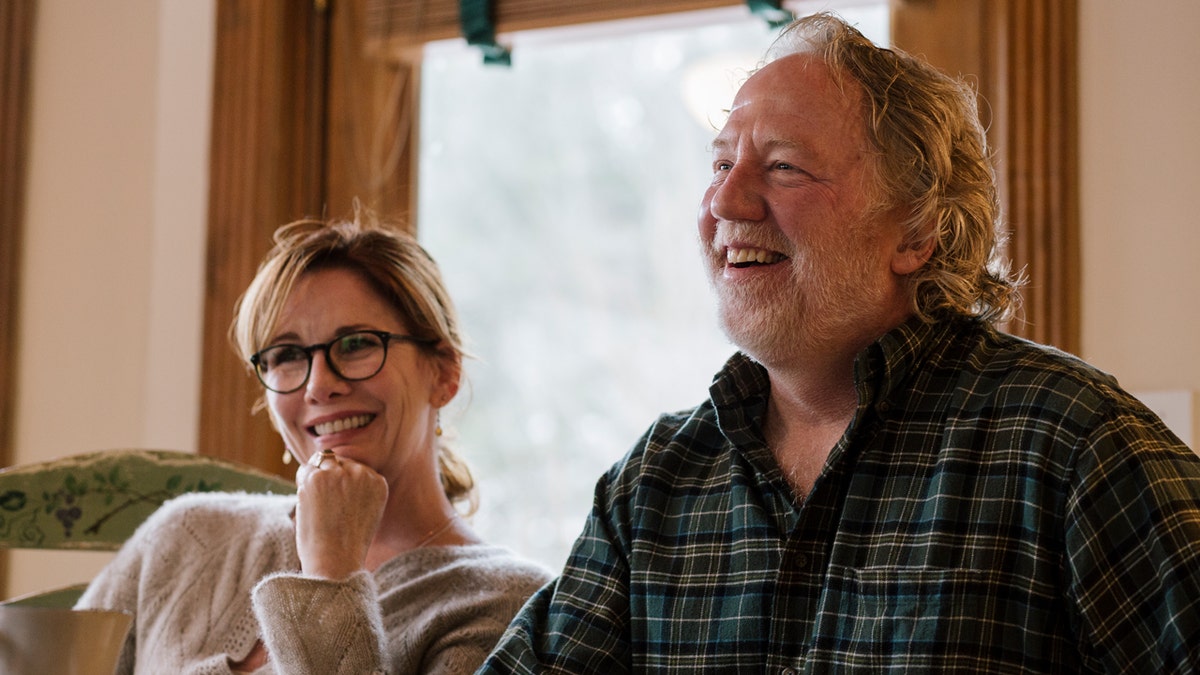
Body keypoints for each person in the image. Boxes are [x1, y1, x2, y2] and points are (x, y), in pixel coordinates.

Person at [480, 11, 1200, 673]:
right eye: (721, 163)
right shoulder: (655, 486)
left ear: (917, 230)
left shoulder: (1073, 446)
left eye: (784, 166)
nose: (724, 203)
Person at [76, 211, 552, 673]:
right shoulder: (184, 536)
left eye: (357, 344)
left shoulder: (509, 607)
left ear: (444, 373)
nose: (318, 385)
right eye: (286, 355)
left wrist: (332, 574)